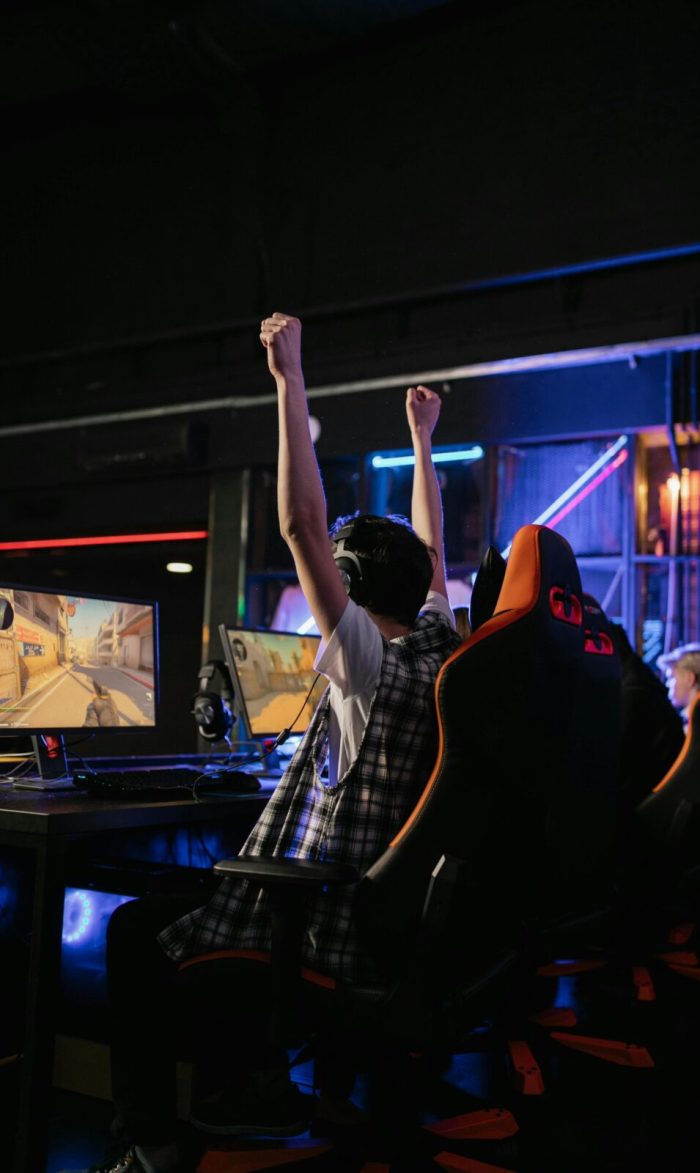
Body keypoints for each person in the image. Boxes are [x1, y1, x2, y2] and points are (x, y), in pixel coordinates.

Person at [73, 314, 461, 1173]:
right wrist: (421, 442)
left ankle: (151, 1140)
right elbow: (433, 552)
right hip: (387, 923)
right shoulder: (440, 650)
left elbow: (300, 524)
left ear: (349, 591)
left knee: (135, 925)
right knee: (189, 891)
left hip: (326, 927)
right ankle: (245, 1085)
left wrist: (290, 379)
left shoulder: (365, 663)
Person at [609, 624, 685, 808]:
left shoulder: (633, 695)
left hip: (650, 810)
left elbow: (619, 768)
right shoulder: (643, 683)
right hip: (663, 802)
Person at [657, 642, 700, 731]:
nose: (667, 684)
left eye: (671, 677)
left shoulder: (695, 722)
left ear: (690, 679)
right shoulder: (688, 719)